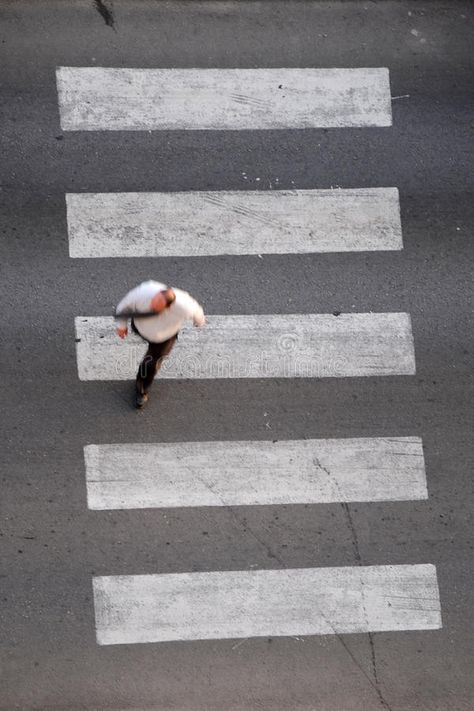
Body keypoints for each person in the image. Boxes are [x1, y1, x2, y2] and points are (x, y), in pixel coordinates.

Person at [115, 280, 206, 408]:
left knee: (151, 364)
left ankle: (141, 389)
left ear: (169, 307)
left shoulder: (186, 306)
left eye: (156, 308)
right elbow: (124, 306)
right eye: (153, 303)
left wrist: (199, 322)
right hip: (141, 328)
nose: (151, 307)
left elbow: (198, 313)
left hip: (165, 337)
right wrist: (121, 325)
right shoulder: (145, 291)